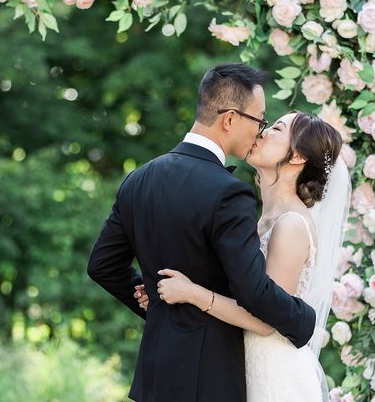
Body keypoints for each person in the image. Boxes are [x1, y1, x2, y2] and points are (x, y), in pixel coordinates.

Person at [87, 63, 316, 402]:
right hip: (209, 377)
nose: (261, 131)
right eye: (259, 121)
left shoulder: (138, 180)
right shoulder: (228, 192)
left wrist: (158, 297)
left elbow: (102, 266)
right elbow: (252, 291)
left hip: (155, 375)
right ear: (230, 119)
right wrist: (303, 319)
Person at [142, 111, 351, 401]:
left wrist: (191, 293)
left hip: (274, 374)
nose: (262, 132)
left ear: (298, 156)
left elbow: (267, 320)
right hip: (240, 365)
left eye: (277, 128)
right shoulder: (262, 220)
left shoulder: (291, 225)